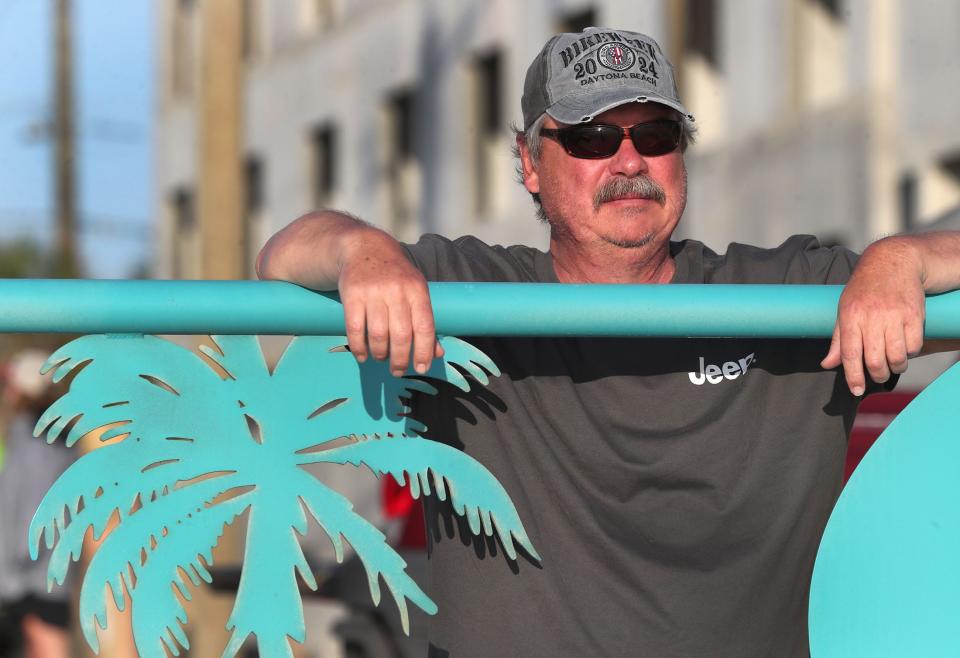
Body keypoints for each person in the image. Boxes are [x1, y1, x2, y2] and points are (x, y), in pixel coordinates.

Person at [257, 27, 960, 657]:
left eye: (655, 136)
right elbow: (283, 258)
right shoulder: (465, 291)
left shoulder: (788, 293)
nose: (629, 161)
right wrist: (362, 251)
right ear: (530, 164)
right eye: (593, 138)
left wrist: (904, 258)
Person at [0, 350, 73, 658]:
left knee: (48, 648)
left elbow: (28, 512)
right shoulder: (55, 439)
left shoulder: (33, 442)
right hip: (43, 575)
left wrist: (12, 572)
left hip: (32, 580)